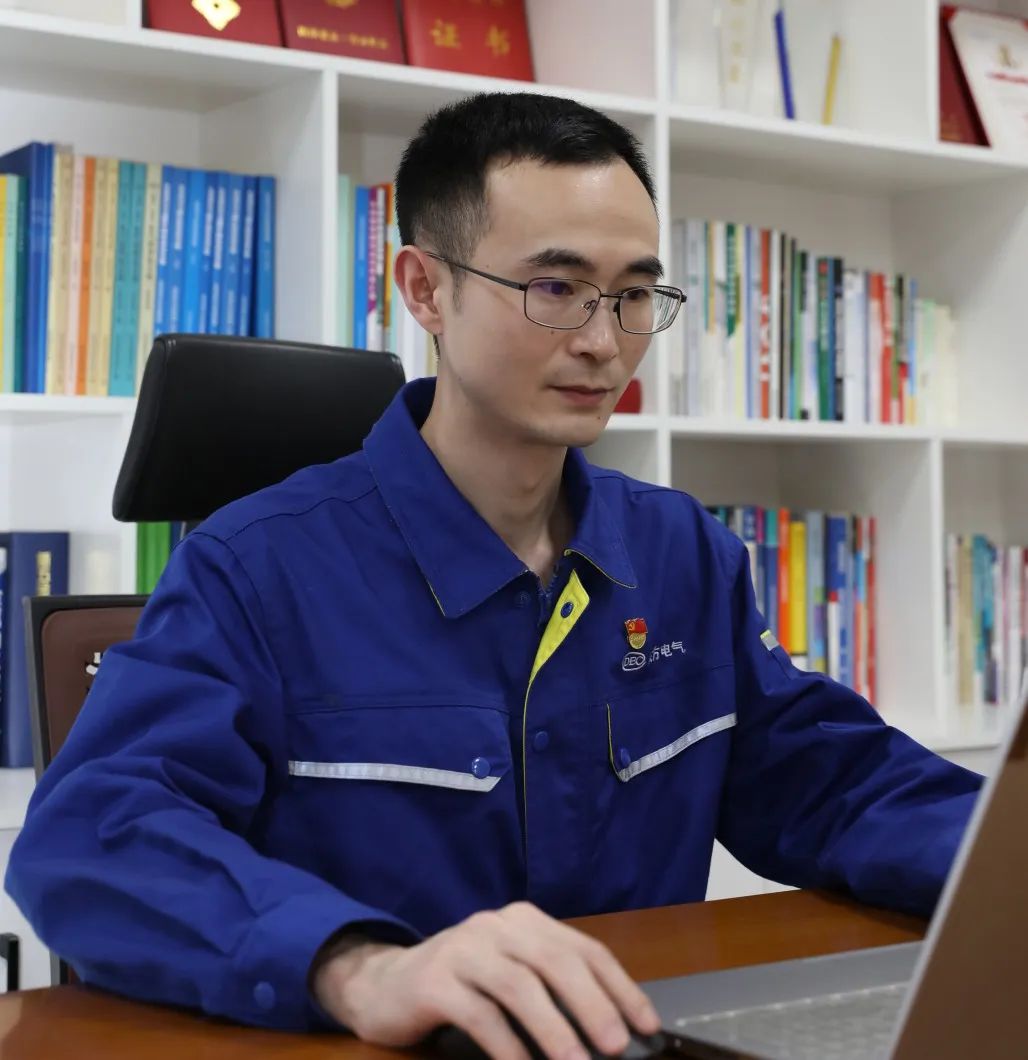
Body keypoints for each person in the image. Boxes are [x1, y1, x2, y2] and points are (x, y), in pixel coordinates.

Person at [6, 92, 982, 1060]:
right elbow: (94, 833)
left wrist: (999, 852)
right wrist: (359, 966)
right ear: (425, 289)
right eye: (554, 288)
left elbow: (836, 785)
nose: (603, 342)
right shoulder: (252, 568)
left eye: (633, 295)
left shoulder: (680, 553)